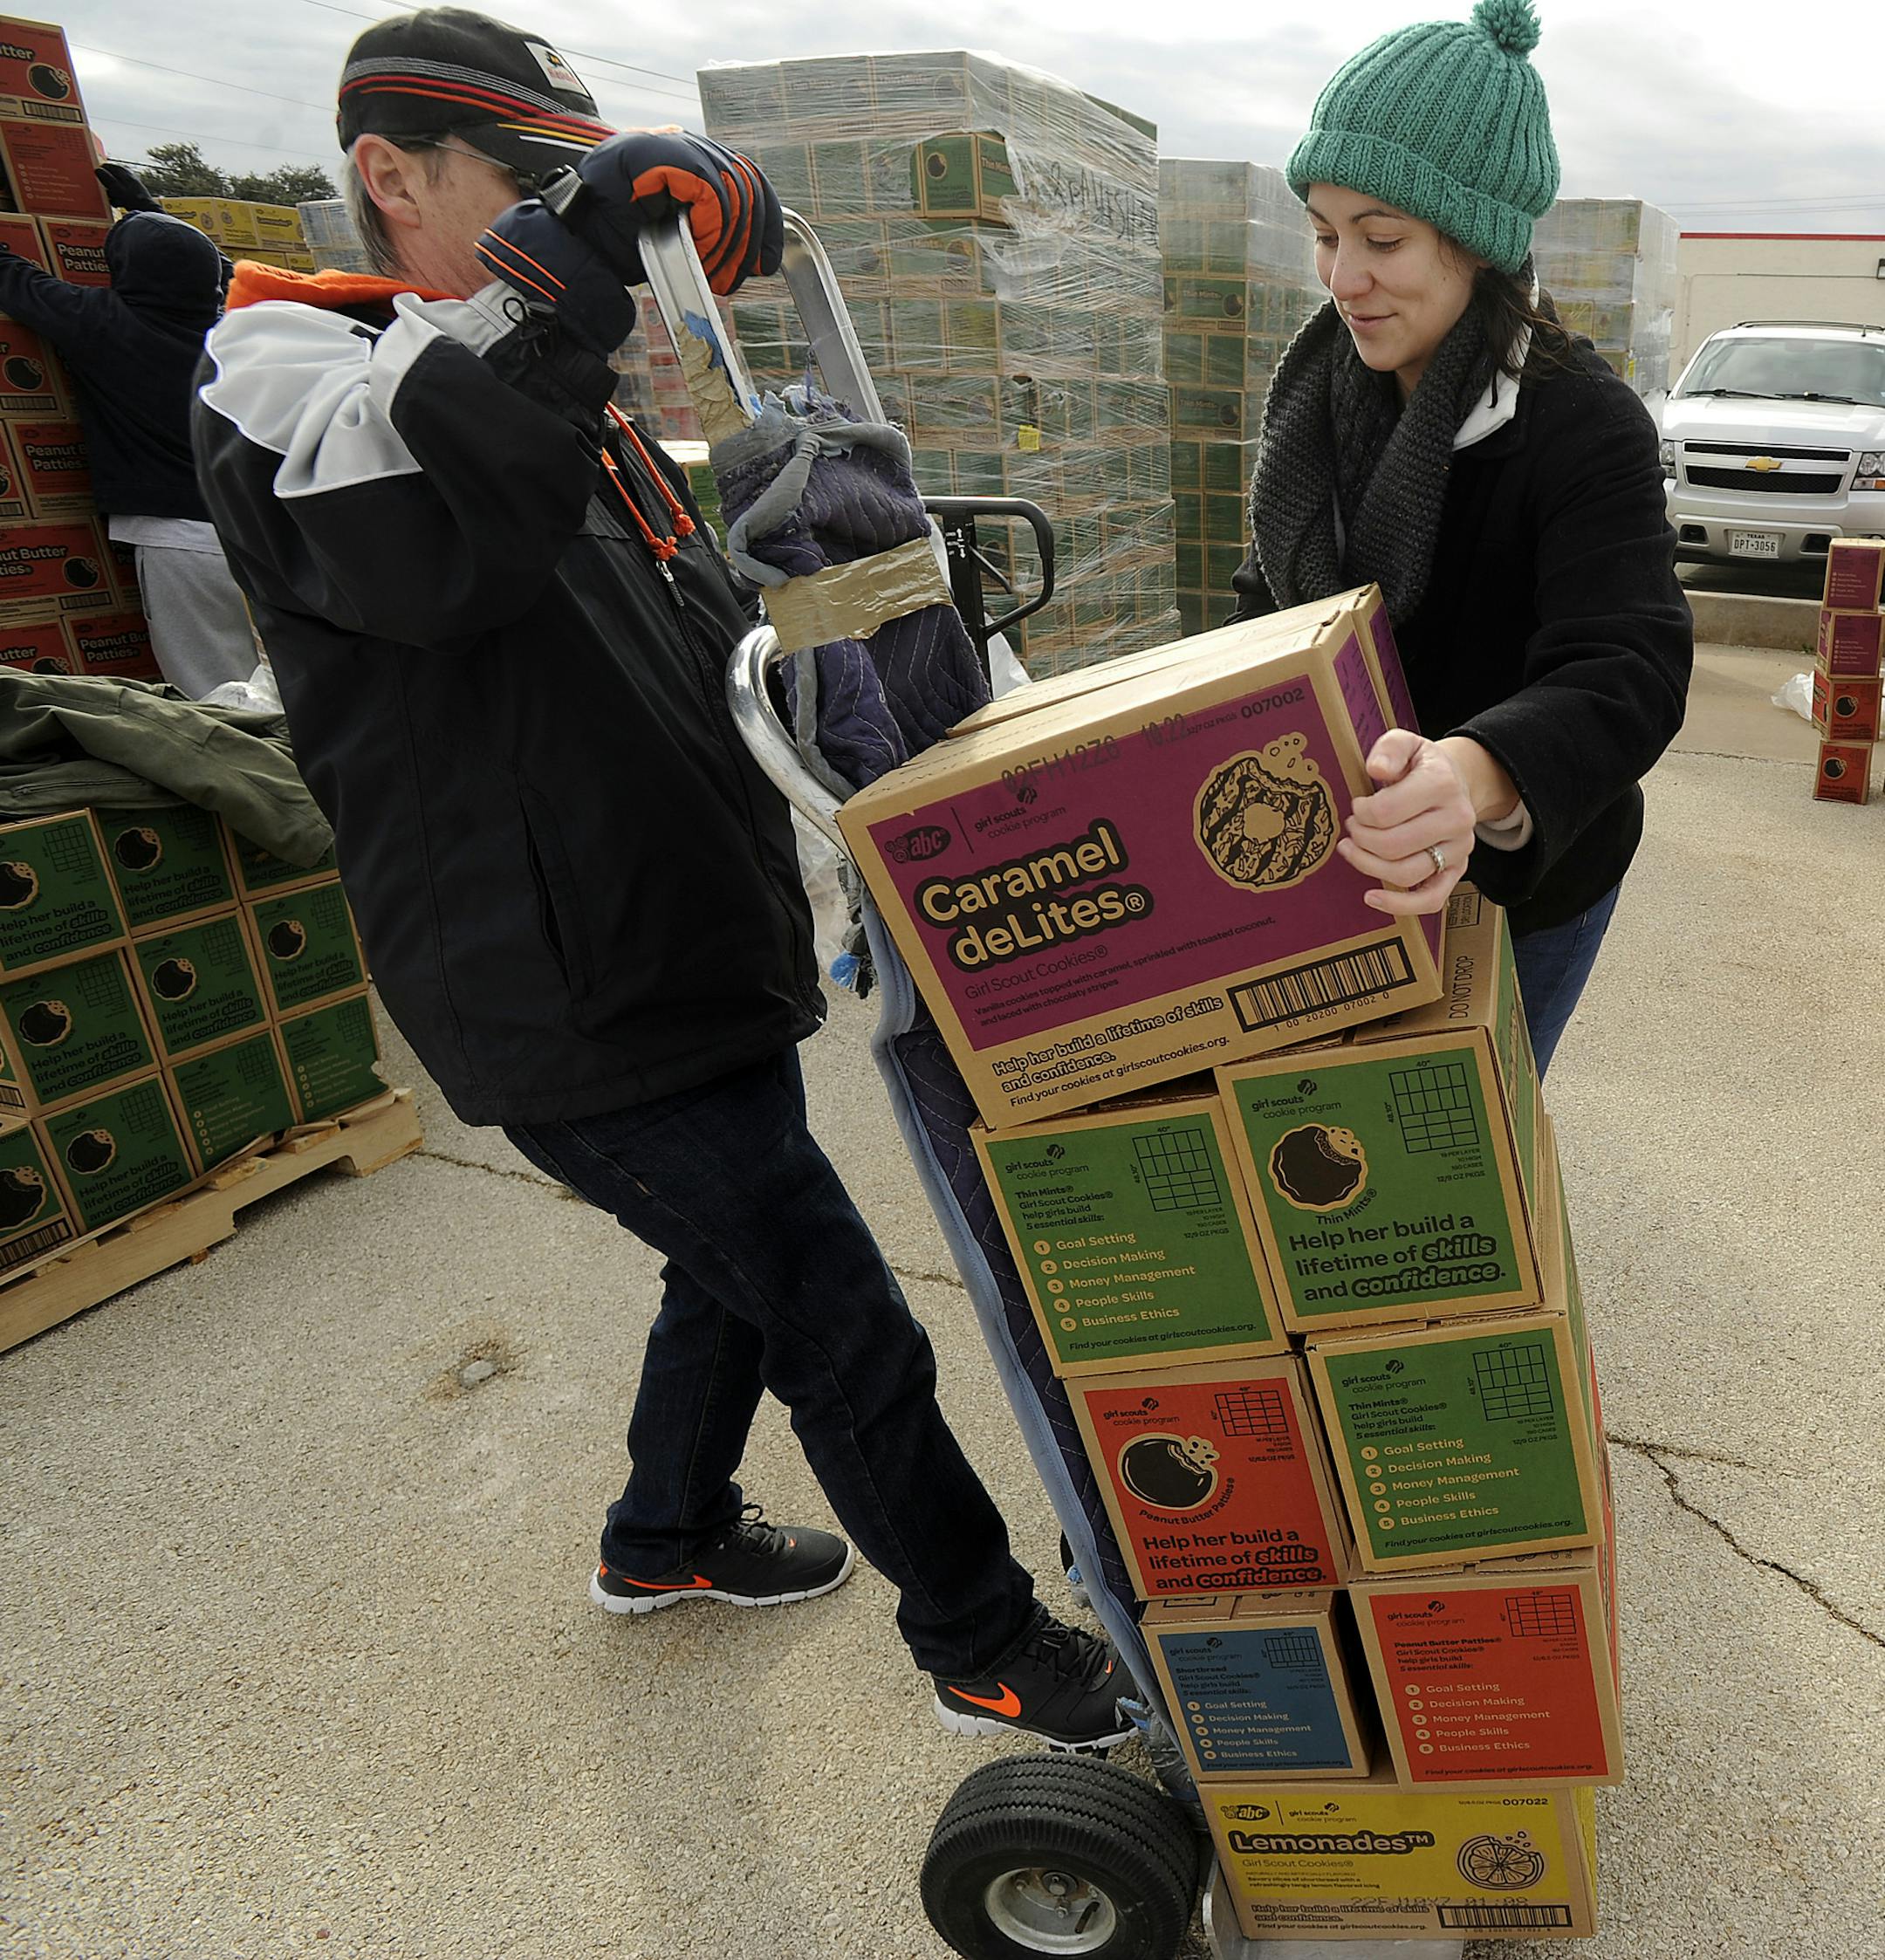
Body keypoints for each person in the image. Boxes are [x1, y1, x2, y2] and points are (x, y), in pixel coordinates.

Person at [191, 7, 1126, 1752]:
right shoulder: (292, 379)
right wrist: (562, 286)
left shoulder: (545, 389)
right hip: (557, 983)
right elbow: (432, 532)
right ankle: (987, 1644)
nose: (588, 234)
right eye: (534, 188)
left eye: (589, 189)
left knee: (732, 1257)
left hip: (684, 934)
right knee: (829, 1298)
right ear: (391, 177)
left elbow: (713, 626)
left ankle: (665, 1534)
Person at [1233, 0, 1692, 1074]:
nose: (1344, 278)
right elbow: (1264, 607)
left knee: (1457, 1167)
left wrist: (1475, 771)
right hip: (1334, 870)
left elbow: (1629, 664)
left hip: (1517, 891)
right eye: (1325, 233)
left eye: (1382, 238)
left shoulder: (1577, 420)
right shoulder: (1312, 405)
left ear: (1476, 241)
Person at [0, 167, 258, 697]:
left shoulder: (103, 322)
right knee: (280, 681)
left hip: (184, 547)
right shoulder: (236, 328)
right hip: (268, 535)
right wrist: (149, 211)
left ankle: (256, 780)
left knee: (215, 694)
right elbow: (233, 276)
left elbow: (13, 278)